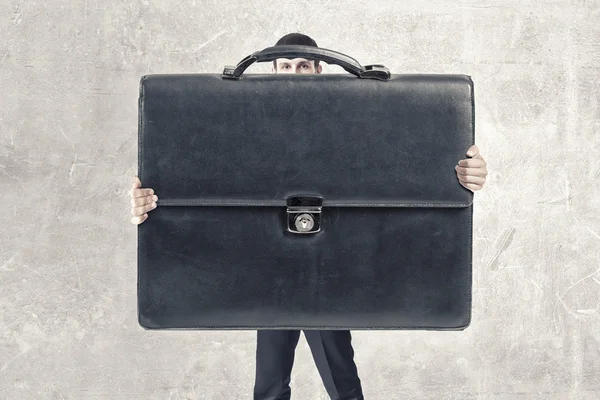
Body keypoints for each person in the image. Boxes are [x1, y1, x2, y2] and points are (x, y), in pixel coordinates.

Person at [129, 33, 488, 400]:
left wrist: (462, 172)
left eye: (303, 65)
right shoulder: (244, 121)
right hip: (268, 261)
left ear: (320, 69)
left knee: (338, 371)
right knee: (271, 376)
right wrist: (151, 206)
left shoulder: (354, 118)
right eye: (286, 66)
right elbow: (199, 176)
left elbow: (401, 159)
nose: (295, 73)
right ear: (272, 71)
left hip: (330, 261)